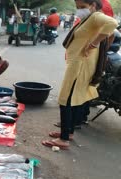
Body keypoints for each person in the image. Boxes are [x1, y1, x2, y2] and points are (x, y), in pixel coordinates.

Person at [42, 0, 118, 150]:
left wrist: (94, 43)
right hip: (79, 64)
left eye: (82, 7)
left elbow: (113, 24)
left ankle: (64, 140)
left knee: (66, 99)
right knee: (74, 98)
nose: (79, 10)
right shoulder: (88, 19)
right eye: (77, 7)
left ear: (93, 5)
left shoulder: (96, 17)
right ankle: (68, 133)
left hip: (81, 65)